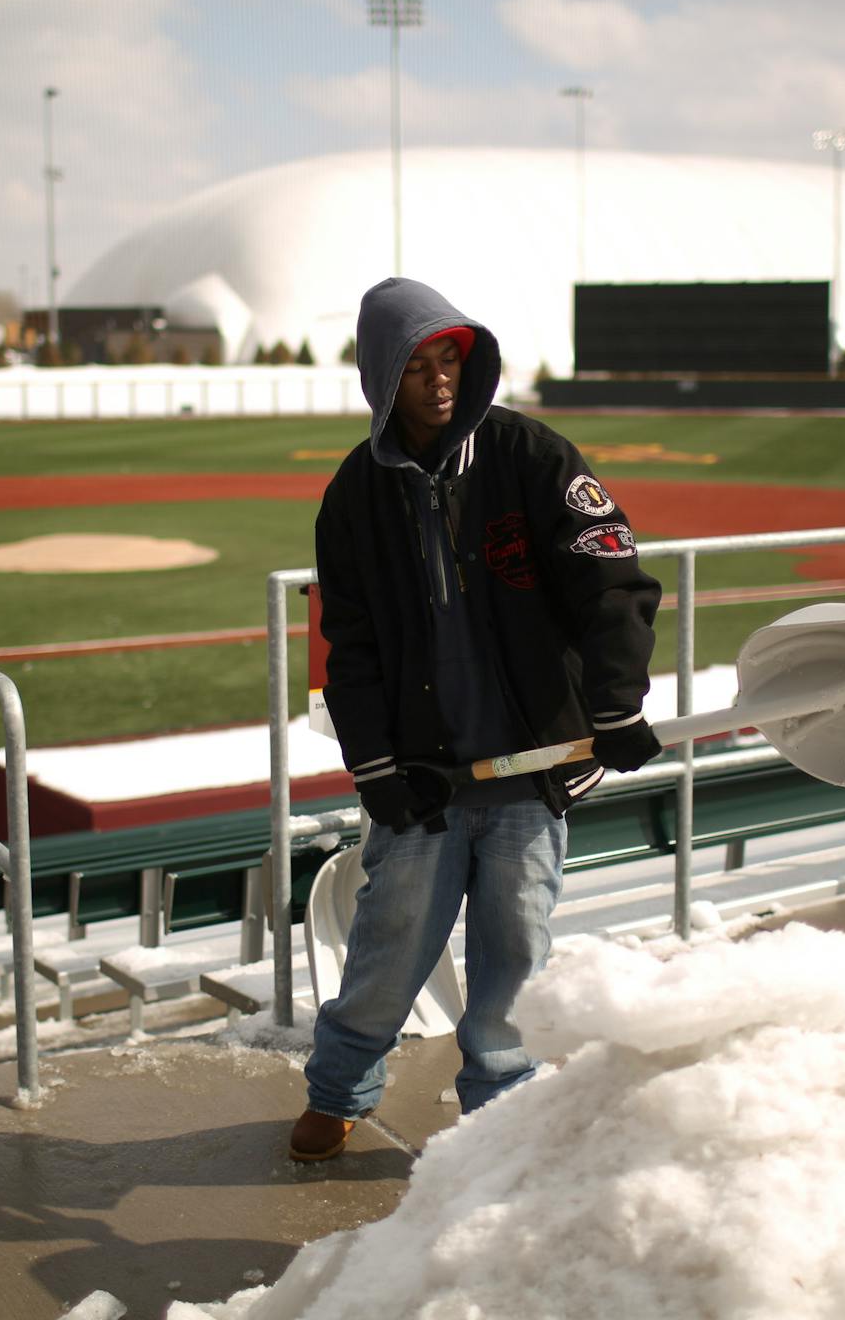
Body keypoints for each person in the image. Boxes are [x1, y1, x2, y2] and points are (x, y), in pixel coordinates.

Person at [291, 277, 663, 1163]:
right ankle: (341, 1088)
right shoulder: (355, 497)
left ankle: (499, 1116)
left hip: (533, 769)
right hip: (427, 775)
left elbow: (612, 584)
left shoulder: (532, 458)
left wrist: (614, 704)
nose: (437, 381)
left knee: (515, 962)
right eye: (416, 365)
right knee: (387, 951)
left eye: (448, 359)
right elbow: (353, 646)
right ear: (384, 376)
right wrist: (377, 765)